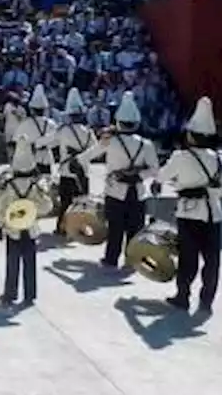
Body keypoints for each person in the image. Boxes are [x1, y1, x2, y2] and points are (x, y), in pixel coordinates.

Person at [161, 96, 222, 314]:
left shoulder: (180, 156)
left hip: (189, 213)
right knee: (212, 261)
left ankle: (183, 296)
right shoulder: (221, 160)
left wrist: (191, 188)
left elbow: (163, 176)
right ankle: (207, 301)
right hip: (214, 215)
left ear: (191, 135)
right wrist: (208, 190)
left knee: (188, 258)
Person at [80, 92, 159, 269]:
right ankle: (131, 260)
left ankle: (111, 258)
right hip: (138, 191)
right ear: (137, 123)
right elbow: (154, 169)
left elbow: (89, 155)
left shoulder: (110, 141)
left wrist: (77, 162)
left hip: (115, 190)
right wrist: (137, 175)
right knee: (135, 228)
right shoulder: (146, 144)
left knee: (115, 227)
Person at [0, 135, 52, 307]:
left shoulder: (7, 184)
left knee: (12, 261)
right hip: (31, 227)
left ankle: (10, 293)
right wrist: (33, 212)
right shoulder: (37, 184)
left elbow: (0, 207)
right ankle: (30, 294)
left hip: (12, 228)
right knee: (30, 261)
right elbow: (47, 206)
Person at [49, 88, 95, 235]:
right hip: (83, 171)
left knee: (65, 202)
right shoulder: (88, 132)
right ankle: (79, 228)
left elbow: (51, 143)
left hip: (67, 171)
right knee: (81, 202)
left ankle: (62, 227)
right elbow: (94, 150)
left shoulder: (63, 130)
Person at [16, 84, 57, 177]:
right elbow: (56, 141)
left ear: (32, 109)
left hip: (30, 158)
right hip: (47, 157)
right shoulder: (51, 124)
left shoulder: (25, 124)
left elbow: (17, 140)